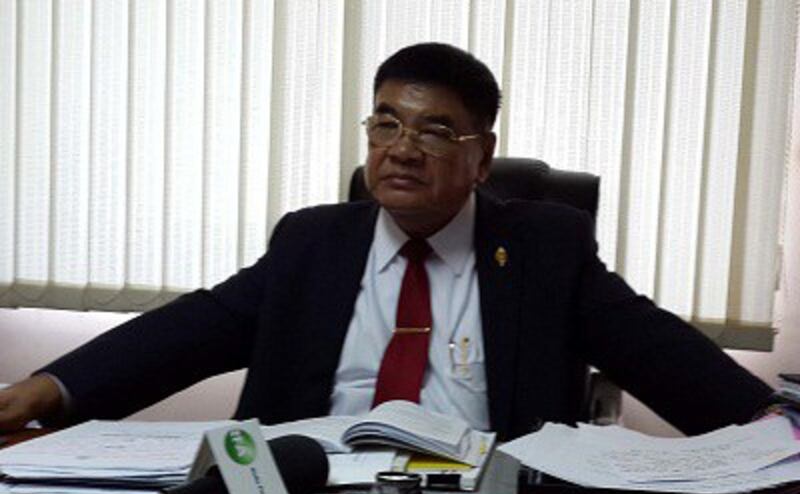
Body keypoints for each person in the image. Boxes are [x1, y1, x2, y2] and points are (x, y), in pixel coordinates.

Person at [0, 43, 772, 440]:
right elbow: (191, 329)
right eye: (386, 123)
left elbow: (654, 347)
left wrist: (771, 426)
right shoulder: (312, 241)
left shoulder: (542, 247)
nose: (402, 148)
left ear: (481, 158)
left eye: (435, 130)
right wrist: (50, 388)